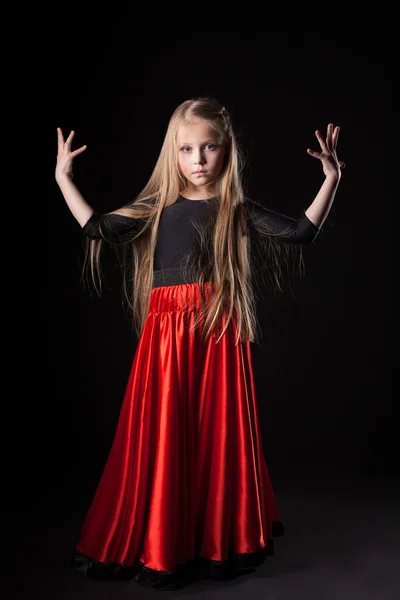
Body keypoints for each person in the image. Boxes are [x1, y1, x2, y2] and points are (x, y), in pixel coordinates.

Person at [55, 96, 344, 590]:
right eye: (187, 150)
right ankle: (162, 540)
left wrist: (331, 178)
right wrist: (63, 178)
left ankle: (213, 538)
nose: (199, 161)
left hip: (217, 332)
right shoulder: (156, 207)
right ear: (174, 153)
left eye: (209, 148)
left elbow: (300, 233)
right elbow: (97, 228)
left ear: (226, 150)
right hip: (166, 340)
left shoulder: (233, 209)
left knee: (217, 433)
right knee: (166, 434)